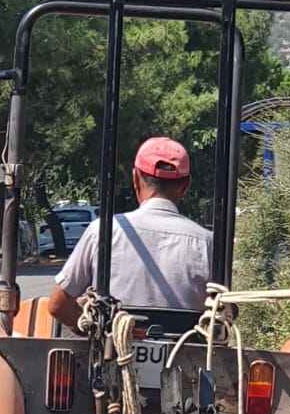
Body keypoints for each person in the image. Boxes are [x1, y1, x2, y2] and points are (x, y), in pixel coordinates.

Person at [47, 136, 212, 329]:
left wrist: (90, 331)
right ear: (185, 186)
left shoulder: (103, 232)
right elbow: (223, 312)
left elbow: (58, 306)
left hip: (112, 353)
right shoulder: (206, 242)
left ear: (135, 178)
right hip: (186, 356)